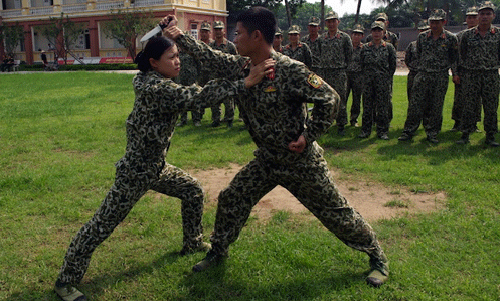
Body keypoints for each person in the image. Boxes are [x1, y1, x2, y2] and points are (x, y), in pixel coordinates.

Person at [164, 7, 389, 288]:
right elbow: (208, 55)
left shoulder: (290, 70)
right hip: (267, 160)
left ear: (256, 36)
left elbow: (330, 98)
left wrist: (309, 136)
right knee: (232, 198)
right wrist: (178, 35)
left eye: (240, 33)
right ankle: (217, 252)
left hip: (300, 162)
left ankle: (377, 257)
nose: (235, 38)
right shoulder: (241, 66)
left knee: (336, 213)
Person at [53, 35, 273, 301]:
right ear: (155, 63)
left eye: (179, 55)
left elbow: (193, 91)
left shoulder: (153, 80)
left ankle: (192, 242)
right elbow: (197, 97)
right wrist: (245, 82)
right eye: (172, 57)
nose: (178, 61)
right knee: (101, 225)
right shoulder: (157, 89)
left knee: (192, 190)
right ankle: (65, 282)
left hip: (156, 167)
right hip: (136, 172)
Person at [398, 9, 458, 144]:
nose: (434, 25)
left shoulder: (450, 38)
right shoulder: (422, 37)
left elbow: (454, 58)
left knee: (436, 106)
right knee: (415, 104)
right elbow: (419, 54)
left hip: (440, 76)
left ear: (444, 22)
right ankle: (408, 131)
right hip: (423, 75)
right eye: (432, 22)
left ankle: (432, 133)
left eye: (437, 22)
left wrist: (455, 74)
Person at [456, 1, 500, 147]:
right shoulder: (467, 35)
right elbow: (461, 55)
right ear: (478, 16)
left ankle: (490, 135)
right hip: (471, 75)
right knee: (469, 105)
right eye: (482, 14)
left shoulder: (498, 34)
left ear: (493, 16)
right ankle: (465, 134)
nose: (485, 17)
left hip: (491, 75)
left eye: (488, 14)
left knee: (491, 107)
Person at [358, 21, 397, 140]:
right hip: (368, 82)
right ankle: (365, 130)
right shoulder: (365, 48)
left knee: (383, 107)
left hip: (383, 82)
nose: (376, 33)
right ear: (371, 33)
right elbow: (361, 64)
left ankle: (382, 131)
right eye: (374, 31)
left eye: (379, 31)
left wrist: (385, 77)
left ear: (383, 33)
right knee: (367, 107)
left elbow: (392, 65)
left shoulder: (389, 48)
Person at [318, 11, 353, 136]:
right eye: (329, 21)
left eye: (333, 21)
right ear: (326, 23)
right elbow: (318, 54)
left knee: (340, 99)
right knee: (325, 99)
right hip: (325, 73)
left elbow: (349, 56)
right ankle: (325, 124)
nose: (331, 24)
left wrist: (344, 70)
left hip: (339, 73)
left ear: (338, 22)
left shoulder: (344, 38)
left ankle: (341, 124)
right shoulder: (321, 38)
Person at [450, 6, 481, 132]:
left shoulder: (483, 34)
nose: (472, 20)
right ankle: (457, 123)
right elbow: (454, 57)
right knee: (459, 98)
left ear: (478, 18)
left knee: (476, 99)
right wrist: (455, 73)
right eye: (469, 17)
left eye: (474, 17)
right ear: (466, 19)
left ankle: (473, 124)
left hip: (478, 72)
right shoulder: (460, 36)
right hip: (463, 73)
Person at [209, 20, 239, 128]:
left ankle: (229, 120)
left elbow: (236, 61)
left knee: (228, 99)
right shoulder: (210, 46)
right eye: (216, 29)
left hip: (227, 77)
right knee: (214, 98)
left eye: (219, 29)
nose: (218, 32)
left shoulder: (230, 46)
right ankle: (216, 119)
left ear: (223, 31)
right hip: (215, 76)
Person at [176, 46, 202, 127]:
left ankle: (196, 120)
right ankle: (183, 120)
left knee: (194, 100)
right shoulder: (178, 54)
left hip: (192, 80)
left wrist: (197, 76)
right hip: (182, 80)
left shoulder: (192, 53)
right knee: (182, 100)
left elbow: (199, 65)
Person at [404, 20, 430, 103]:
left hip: (429, 75)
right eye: (421, 30)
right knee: (412, 99)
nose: (423, 32)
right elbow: (407, 59)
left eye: (425, 30)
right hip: (414, 74)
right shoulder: (412, 45)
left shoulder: (433, 44)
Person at [346, 24, 365, 127]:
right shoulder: (346, 46)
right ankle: (341, 120)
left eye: (359, 34)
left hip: (358, 76)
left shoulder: (364, 48)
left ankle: (354, 119)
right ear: (351, 35)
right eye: (354, 34)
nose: (356, 36)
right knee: (342, 98)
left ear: (362, 36)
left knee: (356, 99)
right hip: (346, 75)